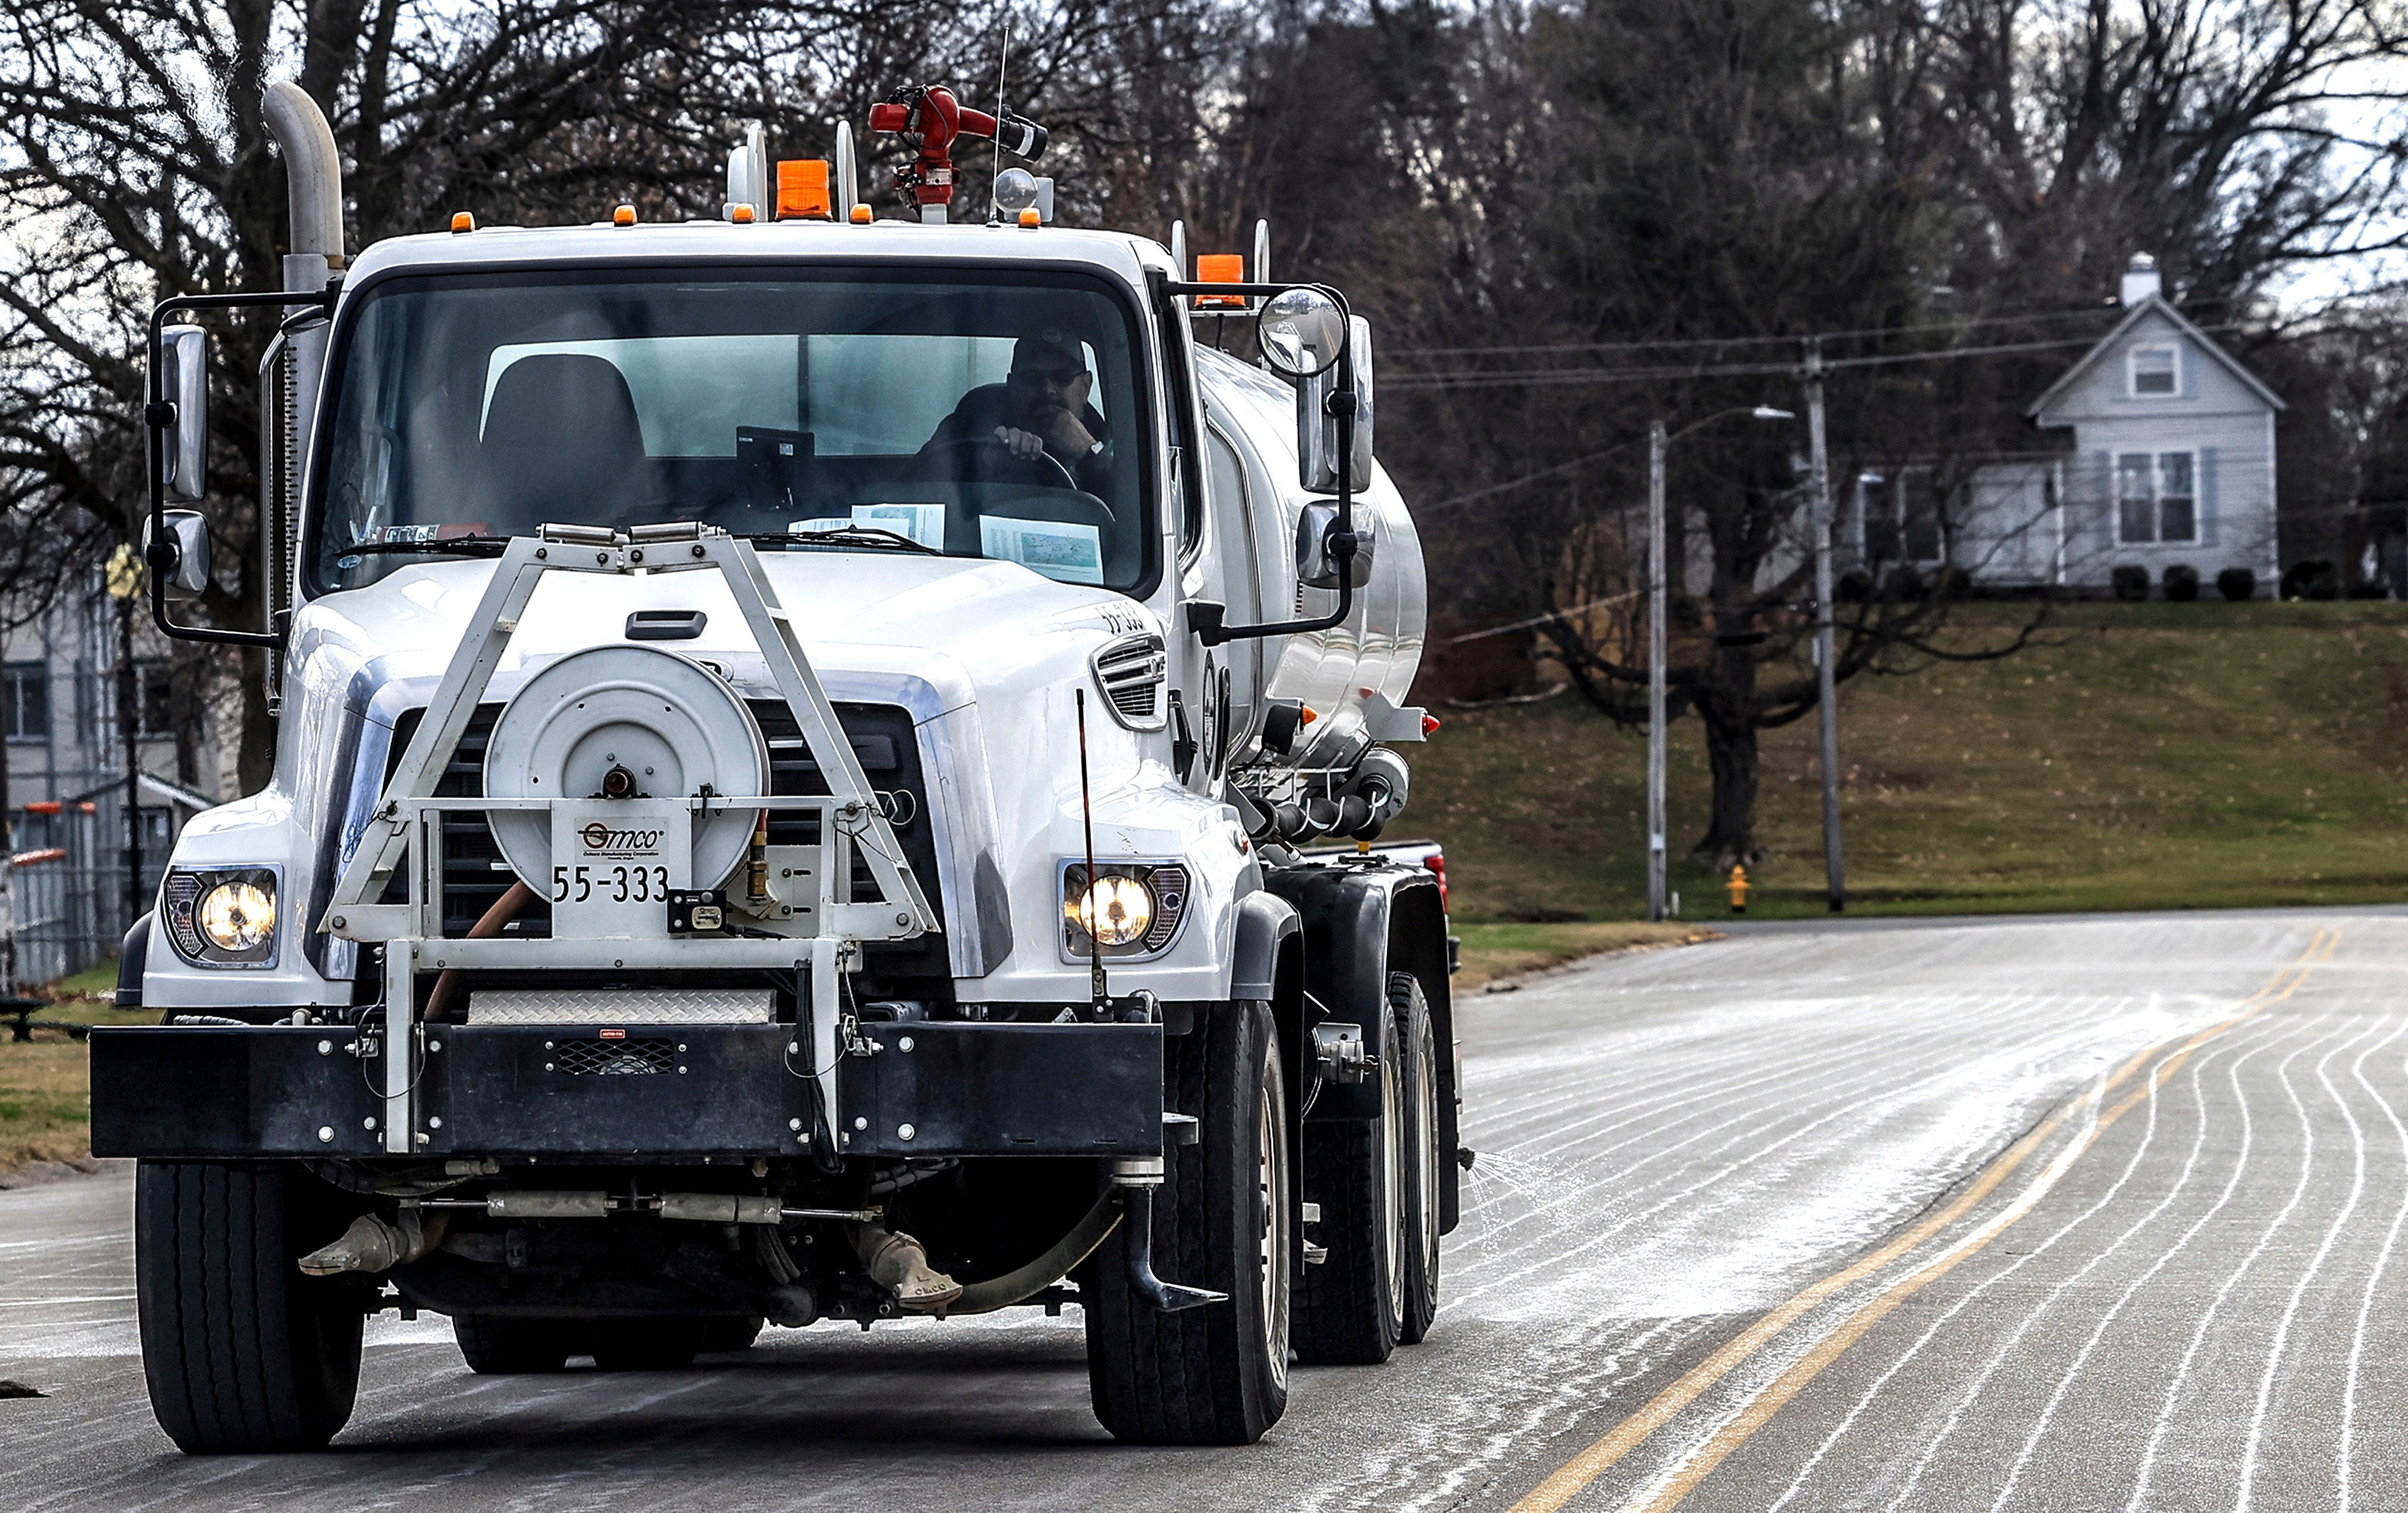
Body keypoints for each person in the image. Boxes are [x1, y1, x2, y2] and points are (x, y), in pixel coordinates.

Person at [918, 328, 1113, 496]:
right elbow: (910, 488)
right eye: (1032, 378)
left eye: (1062, 377)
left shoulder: (1116, 444)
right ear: (1012, 386)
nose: (1048, 390)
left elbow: (1131, 515)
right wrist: (979, 462)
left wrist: (1088, 452)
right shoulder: (967, 427)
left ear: (1085, 387)